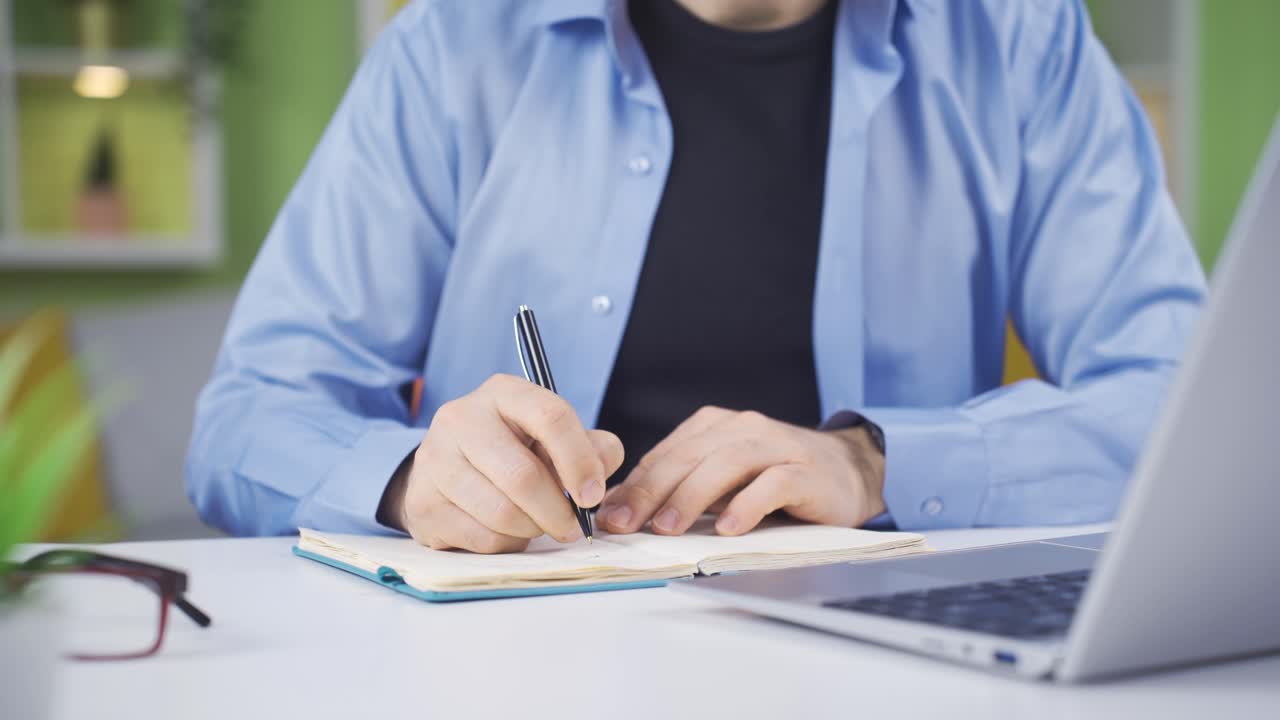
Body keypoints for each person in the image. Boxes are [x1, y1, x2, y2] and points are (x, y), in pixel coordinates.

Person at [186, 0, 1206, 553]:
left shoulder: (1024, 43)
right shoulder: (449, 45)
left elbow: (1189, 414)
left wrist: (877, 465)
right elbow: (249, 415)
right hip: (504, 665)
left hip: (890, 660)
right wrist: (412, 483)